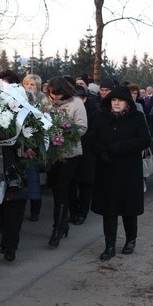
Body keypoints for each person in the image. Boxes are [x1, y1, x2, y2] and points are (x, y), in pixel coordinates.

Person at [90, 86, 151, 261]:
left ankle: (131, 239)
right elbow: (91, 139)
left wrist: (123, 147)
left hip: (128, 169)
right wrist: (101, 152)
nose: (116, 103)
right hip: (107, 168)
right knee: (109, 209)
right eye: (113, 100)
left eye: (120, 100)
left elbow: (144, 140)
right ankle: (109, 245)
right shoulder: (102, 117)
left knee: (128, 208)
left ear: (127, 103)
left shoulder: (137, 117)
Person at [45, 77, 88, 248]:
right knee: (56, 187)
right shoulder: (47, 102)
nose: (55, 97)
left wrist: (64, 134)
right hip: (52, 153)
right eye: (52, 94)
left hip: (70, 153)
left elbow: (82, 127)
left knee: (61, 187)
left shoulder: (76, 102)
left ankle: (58, 227)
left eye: (58, 94)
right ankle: (62, 223)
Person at [68, 85, 100, 225]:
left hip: (87, 152)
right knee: (70, 183)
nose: (78, 100)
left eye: (81, 97)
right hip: (72, 150)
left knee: (85, 184)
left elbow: (93, 134)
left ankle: (82, 212)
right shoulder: (69, 108)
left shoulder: (94, 112)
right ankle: (73, 211)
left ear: (85, 98)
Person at [21, 74, 46, 221]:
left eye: (33, 85)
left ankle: (35, 210)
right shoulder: (19, 99)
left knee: (34, 177)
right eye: (27, 84)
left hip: (35, 145)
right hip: (21, 144)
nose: (29, 87)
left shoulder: (43, 102)